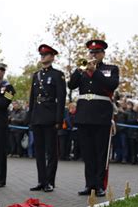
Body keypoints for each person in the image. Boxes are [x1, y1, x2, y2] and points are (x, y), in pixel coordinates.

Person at [68, 39, 119, 197]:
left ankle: (100, 185)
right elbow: (71, 85)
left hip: (101, 115)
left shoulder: (111, 69)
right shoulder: (82, 68)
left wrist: (94, 71)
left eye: (96, 52)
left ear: (103, 54)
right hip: (84, 115)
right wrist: (79, 69)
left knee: (100, 152)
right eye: (91, 52)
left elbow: (112, 85)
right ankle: (89, 185)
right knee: (88, 153)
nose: (93, 55)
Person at [26, 45, 66, 192]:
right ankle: (41, 181)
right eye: (41, 54)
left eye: (46, 54)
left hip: (50, 117)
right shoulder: (36, 75)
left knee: (51, 151)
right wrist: (30, 118)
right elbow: (32, 99)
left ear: (52, 56)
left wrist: (59, 120)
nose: (43, 56)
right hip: (37, 116)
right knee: (39, 151)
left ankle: (49, 181)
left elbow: (61, 99)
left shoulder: (58, 75)